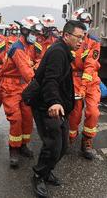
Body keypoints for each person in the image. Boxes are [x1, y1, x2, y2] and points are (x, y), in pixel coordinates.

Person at [29, 20, 86, 198]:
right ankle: (38, 175)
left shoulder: (64, 51)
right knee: (53, 145)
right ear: (66, 35)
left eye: (83, 38)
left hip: (58, 107)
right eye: (78, 37)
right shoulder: (57, 52)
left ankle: (47, 171)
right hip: (46, 106)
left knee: (62, 146)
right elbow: (50, 80)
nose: (81, 41)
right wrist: (54, 101)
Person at [0, 17, 44, 168]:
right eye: (33, 33)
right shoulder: (18, 48)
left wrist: (37, 64)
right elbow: (28, 73)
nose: (36, 36)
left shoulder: (30, 46)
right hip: (11, 86)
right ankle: (14, 149)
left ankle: (23, 144)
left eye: (37, 33)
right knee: (16, 118)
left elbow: (39, 59)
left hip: (23, 86)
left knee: (27, 117)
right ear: (24, 31)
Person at [68, 8, 102, 160]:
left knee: (93, 112)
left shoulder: (94, 41)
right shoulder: (70, 40)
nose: (85, 26)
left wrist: (83, 86)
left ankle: (87, 141)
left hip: (90, 80)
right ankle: (70, 138)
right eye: (82, 23)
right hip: (73, 78)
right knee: (74, 112)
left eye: (88, 23)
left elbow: (90, 64)